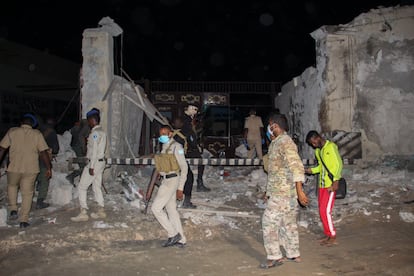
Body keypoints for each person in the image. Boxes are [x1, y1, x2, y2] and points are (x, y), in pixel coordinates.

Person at [259, 113, 308, 269]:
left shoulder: (285, 142)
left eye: (269, 125)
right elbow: (275, 171)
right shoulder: (276, 143)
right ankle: (293, 253)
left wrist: (300, 192)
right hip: (279, 191)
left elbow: (297, 167)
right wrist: (268, 192)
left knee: (268, 222)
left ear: (274, 126)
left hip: (284, 193)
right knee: (288, 223)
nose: (268, 128)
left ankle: (274, 257)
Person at [0, 113, 52, 228]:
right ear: (32, 125)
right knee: (27, 194)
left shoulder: (12, 132)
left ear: (21, 122)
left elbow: (2, 149)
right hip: (30, 169)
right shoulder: (37, 134)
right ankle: (23, 220)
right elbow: (43, 152)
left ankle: (13, 209)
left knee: (12, 186)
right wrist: (49, 168)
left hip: (14, 167)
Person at [148, 125, 187, 247]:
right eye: (161, 134)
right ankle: (181, 239)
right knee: (171, 210)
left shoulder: (177, 147)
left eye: (165, 133)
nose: (162, 136)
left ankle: (173, 234)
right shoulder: (164, 147)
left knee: (156, 208)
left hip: (172, 181)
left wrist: (180, 188)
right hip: (166, 180)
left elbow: (184, 168)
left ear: (170, 134)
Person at [305, 130, 343, 246]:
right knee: (322, 211)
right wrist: (310, 170)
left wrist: (336, 180)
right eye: (312, 144)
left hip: (330, 184)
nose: (313, 145)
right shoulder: (318, 151)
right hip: (321, 185)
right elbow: (321, 167)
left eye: (314, 142)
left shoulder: (331, 147)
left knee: (325, 211)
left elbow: (338, 164)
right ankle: (328, 233)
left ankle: (332, 236)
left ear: (318, 137)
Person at [71, 108, 108, 222]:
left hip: (94, 163)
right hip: (101, 162)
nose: (88, 123)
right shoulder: (102, 132)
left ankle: (83, 212)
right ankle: (101, 210)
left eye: (88, 121)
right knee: (96, 186)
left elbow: (94, 151)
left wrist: (91, 166)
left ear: (92, 120)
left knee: (82, 186)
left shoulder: (95, 134)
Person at [181, 104, 210, 192]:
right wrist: (195, 145)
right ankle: (199, 184)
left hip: (185, 147)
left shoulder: (187, 119)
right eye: (195, 110)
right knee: (200, 162)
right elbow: (189, 134)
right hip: (188, 147)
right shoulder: (187, 121)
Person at [172, 117, 196, 209]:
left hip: (169, 160)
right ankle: (186, 201)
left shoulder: (170, 133)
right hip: (179, 158)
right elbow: (193, 144)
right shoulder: (186, 132)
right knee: (188, 178)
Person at [36, 117, 60, 209]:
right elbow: (55, 148)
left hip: (32, 157)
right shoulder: (51, 132)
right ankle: (40, 201)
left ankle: (37, 186)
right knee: (45, 177)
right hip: (44, 157)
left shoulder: (37, 131)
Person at [66, 119, 90, 186]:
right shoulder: (87, 126)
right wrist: (84, 148)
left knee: (83, 165)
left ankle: (81, 180)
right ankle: (72, 177)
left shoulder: (80, 125)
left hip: (76, 146)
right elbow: (81, 136)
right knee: (84, 165)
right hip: (79, 147)